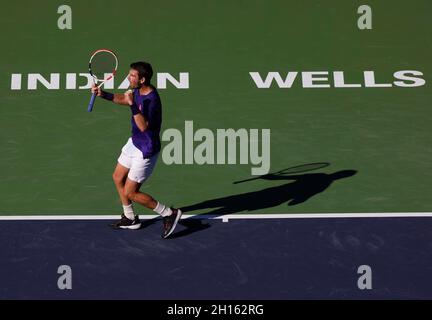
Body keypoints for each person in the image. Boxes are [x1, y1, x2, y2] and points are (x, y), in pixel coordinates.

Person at [91, 61, 182, 239]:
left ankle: (168, 213)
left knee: (130, 192)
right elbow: (125, 99)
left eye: (132, 75)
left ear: (142, 79)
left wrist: (133, 105)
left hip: (146, 149)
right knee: (117, 177)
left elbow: (143, 126)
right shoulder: (138, 90)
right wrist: (103, 95)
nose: (129, 77)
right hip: (134, 143)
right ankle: (130, 218)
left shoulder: (152, 100)